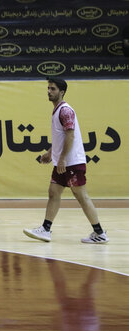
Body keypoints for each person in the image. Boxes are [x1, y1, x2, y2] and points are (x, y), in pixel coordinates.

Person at [23, 77, 108, 244]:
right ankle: (46, 229)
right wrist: (50, 153)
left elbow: (70, 135)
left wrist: (61, 159)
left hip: (71, 163)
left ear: (62, 92)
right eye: (48, 88)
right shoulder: (57, 111)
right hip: (63, 163)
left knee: (81, 196)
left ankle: (99, 233)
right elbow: (61, 137)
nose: (49, 91)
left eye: (53, 89)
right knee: (53, 193)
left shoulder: (65, 111)